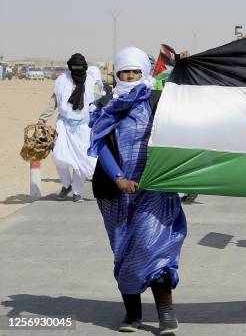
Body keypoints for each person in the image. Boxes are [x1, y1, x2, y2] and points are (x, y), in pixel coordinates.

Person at [88, 47, 187, 334]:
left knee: (154, 248)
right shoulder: (106, 105)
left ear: (144, 73)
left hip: (154, 189)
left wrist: (183, 68)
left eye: (135, 72)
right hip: (117, 193)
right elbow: (101, 145)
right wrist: (119, 178)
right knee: (124, 251)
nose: (130, 76)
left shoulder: (158, 101)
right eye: (124, 72)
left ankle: (166, 314)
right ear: (117, 73)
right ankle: (132, 314)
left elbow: (187, 100)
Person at [38, 53, 97, 202]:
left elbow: (99, 103)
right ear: (70, 67)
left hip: (83, 126)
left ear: (85, 67)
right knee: (59, 156)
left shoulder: (91, 81)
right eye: (74, 67)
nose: (77, 70)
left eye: (80, 67)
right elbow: (54, 102)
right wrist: (42, 119)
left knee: (80, 161)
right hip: (64, 124)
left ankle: (77, 192)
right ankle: (66, 184)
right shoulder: (62, 81)